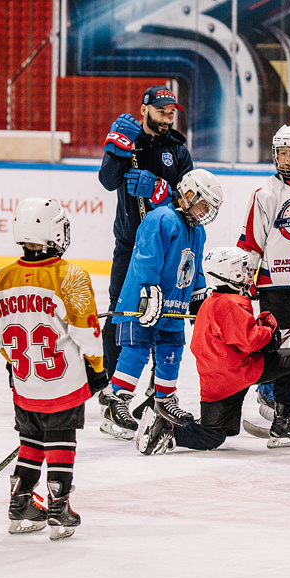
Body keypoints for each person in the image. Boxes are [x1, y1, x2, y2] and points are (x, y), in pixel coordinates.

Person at [0, 197, 107, 540]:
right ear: (54, 232)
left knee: (31, 438)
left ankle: (21, 503)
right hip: (63, 381)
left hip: (24, 381)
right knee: (60, 439)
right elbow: (87, 331)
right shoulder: (70, 276)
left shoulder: (0, 279)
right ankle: (58, 507)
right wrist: (96, 368)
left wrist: (14, 366)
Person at [135, 247, 290, 455]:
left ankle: (167, 430)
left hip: (214, 381)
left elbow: (233, 337)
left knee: (214, 434)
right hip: (235, 374)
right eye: (243, 268)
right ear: (231, 273)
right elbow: (251, 341)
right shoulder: (232, 304)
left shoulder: (211, 302)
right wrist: (268, 329)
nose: (249, 272)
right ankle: (282, 425)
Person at [100, 169, 220, 440]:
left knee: (172, 351)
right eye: (203, 204)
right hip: (144, 301)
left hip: (174, 305)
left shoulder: (197, 232)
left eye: (208, 208)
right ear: (188, 195)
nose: (204, 212)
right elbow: (146, 258)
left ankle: (164, 399)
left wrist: (199, 295)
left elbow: (195, 266)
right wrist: (149, 289)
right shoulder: (161, 218)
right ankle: (117, 400)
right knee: (137, 350)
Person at [98, 85, 193, 400]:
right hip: (129, 247)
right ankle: (115, 389)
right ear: (144, 110)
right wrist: (116, 150)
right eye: (160, 112)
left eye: (170, 114)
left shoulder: (178, 151)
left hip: (167, 250)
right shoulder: (130, 143)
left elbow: (190, 203)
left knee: (165, 317)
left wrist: (160, 191)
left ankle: (157, 387)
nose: (167, 120)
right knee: (120, 315)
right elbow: (108, 181)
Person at [237, 124, 290, 447]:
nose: (289, 159)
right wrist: (246, 280)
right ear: (275, 155)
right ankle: (276, 401)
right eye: (284, 153)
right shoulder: (264, 194)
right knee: (279, 344)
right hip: (274, 283)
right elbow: (251, 243)